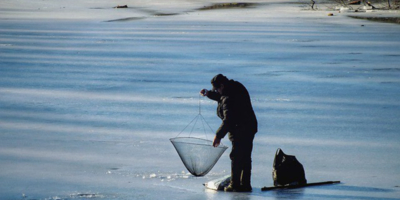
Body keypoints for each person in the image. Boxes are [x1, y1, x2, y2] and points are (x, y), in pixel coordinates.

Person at [200, 74, 258, 192]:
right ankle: (245, 184)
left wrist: (218, 135)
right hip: (249, 126)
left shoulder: (228, 97)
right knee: (245, 156)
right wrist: (208, 93)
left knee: (236, 156)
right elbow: (221, 96)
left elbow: (228, 120)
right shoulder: (234, 87)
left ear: (222, 85)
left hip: (240, 128)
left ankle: (235, 185)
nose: (216, 91)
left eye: (217, 89)